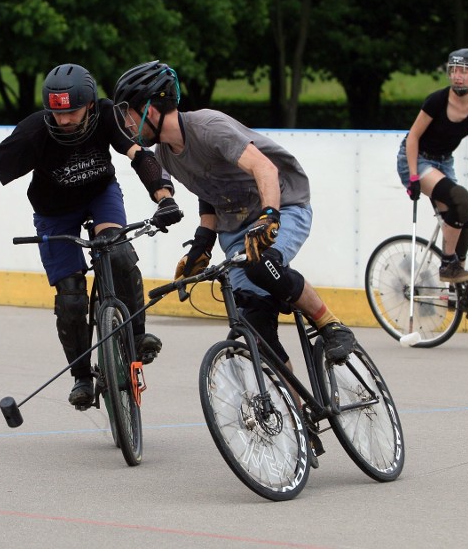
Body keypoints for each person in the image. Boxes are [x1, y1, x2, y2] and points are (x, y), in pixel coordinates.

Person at [112, 61, 356, 465]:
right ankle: (300, 418)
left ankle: (330, 325)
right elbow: (208, 193)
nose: (126, 121)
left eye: (129, 112)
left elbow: (265, 167)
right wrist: (201, 246)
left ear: (152, 108)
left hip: (283, 204)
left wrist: (270, 217)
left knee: (263, 265)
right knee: (255, 327)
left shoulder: (208, 126)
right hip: (234, 224)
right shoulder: (166, 155)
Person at [0, 63, 183, 407]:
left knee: (119, 252)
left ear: (91, 105)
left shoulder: (108, 114)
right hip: (55, 212)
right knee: (70, 297)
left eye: (72, 112)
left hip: (100, 195)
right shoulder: (36, 131)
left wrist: (164, 199)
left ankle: (137, 338)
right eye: (56, 112)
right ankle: (81, 377)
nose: (63, 120)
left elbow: (140, 156)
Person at [397, 47, 468, 283]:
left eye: (464, 71)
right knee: (461, 199)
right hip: (415, 159)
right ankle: (448, 264)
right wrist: (414, 177)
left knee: (461, 216)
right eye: (454, 70)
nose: (457, 75)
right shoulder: (437, 100)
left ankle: (458, 290)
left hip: (444, 162)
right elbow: (413, 137)